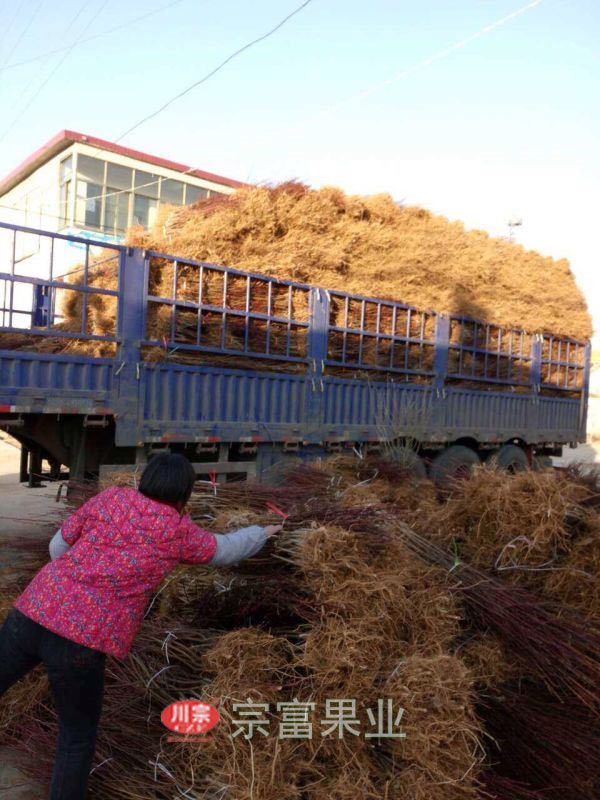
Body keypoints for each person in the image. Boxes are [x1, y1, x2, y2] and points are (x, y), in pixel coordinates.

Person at [0, 453, 281, 800]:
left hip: (32, 610)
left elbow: (57, 546)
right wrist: (261, 533)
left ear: (145, 480)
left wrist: (78, 579)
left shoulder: (112, 498)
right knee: (75, 738)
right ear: (183, 495)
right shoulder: (176, 530)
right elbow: (224, 550)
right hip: (80, 640)